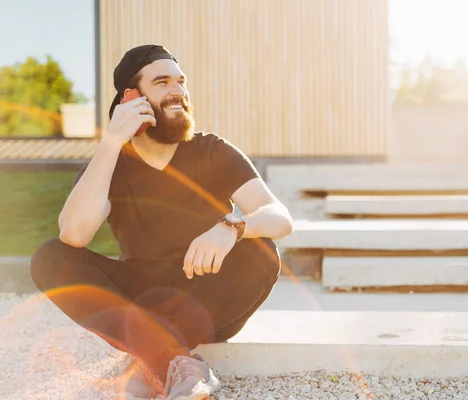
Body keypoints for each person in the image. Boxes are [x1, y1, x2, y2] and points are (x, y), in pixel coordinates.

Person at [29, 44, 294, 400]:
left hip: (207, 296)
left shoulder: (211, 150)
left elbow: (279, 218)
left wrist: (231, 227)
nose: (178, 92)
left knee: (262, 250)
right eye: (163, 82)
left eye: (181, 82)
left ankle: (147, 359)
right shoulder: (113, 163)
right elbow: (74, 234)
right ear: (132, 97)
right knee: (50, 257)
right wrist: (112, 140)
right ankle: (174, 362)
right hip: (142, 301)